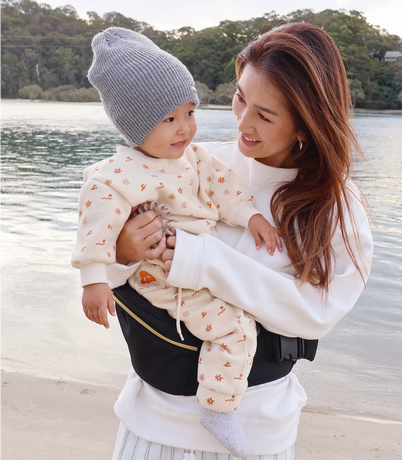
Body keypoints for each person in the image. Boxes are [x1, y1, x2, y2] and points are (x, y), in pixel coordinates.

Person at [107, 22, 374, 460]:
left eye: (265, 115)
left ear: (306, 124)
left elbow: (316, 313)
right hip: (153, 424)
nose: (243, 123)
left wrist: (203, 260)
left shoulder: (336, 206)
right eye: (239, 97)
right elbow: (107, 254)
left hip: (256, 435)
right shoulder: (193, 163)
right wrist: (123, 252)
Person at [72, 27, 283, 457]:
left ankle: (214, 395)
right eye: (169, 119)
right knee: (235, 329)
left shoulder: (191, 156)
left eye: (189, 112)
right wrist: (94, 280)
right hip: (162, 276)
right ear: (136, 124)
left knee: (239, 318)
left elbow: (223, 185)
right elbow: (95, 226)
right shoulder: (116, 175)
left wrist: (251, 215)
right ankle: (218, 408)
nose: (185, 128)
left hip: (193, 265)